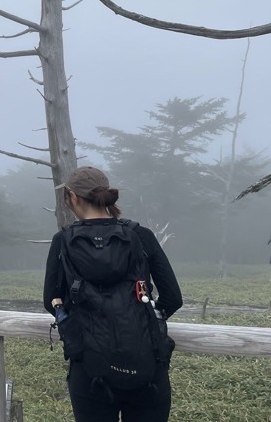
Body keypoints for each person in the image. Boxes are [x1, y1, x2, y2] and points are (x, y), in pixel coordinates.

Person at [43, 166, 183, 422]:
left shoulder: (63, 240)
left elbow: (50, 300)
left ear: (72, 197)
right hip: (147, 366)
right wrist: (145, 321)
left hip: (88, 370)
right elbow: (173, 297)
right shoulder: (140, 235)